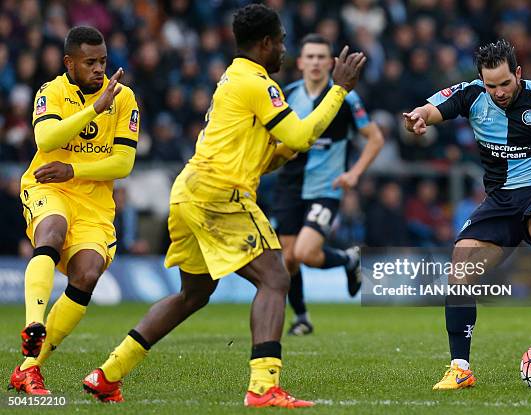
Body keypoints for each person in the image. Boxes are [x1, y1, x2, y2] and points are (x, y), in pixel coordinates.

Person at [83, 4, 366, 407]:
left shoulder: (233, 78)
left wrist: (283, 152)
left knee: (193, 294)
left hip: (189, 192)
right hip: (220, 195)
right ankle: (264, 387)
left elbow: (266, 153)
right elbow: (302, 135)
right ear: (265, 43)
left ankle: (107, 374)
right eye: (282, 41)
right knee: (275, 278)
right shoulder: (257, 83)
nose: (285, 49)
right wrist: (339, 88)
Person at [403, 39, 531, 390]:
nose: (498, 92)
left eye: (504, 84)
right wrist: (418, 120)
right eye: (491, 86)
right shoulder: (470, 94)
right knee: (461, 267)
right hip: (500, 200)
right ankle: (460, 367)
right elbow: (428, 109)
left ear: (518, 73)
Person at [8, 26, 139, 395]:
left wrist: (75, 168)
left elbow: (123, 163)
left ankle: (29, 368)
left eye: (103, 61)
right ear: (69, 62)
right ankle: (34, 324)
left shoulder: (125, 98)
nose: (99, 69)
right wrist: (93, 109)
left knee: (88, 273)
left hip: (94, 202)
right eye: (90, 63)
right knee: (51, 231)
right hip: (49, 186)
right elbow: (46, 139)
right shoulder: (51, 92)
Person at [273, 33, 383, 336]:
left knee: (306, 253)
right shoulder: (286, 94)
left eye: (322, 57)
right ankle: (303, 317)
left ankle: (349, 259)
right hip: (289, 187)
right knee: (289, 257)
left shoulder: (346, 97)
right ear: (300, 62)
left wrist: (355, 173)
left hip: (326, 188)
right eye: (310, 56)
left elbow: (375, 138)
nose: (316, 62)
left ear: (332, 63)